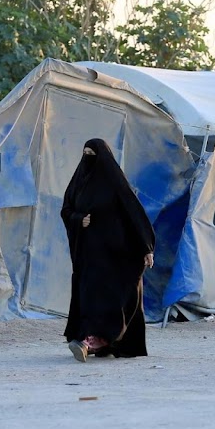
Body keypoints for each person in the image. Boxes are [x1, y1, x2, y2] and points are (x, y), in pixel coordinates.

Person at [61, 138, 155, 362]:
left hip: (118, 255)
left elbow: (135, 215)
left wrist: (146, 248)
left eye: (92, 154)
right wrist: (78, 219)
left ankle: (94, 341)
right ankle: (90, 339)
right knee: (90, 297)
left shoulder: (115, 184)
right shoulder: (78, 183)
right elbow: (66, 209)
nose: (87, 158)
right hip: (89, 255)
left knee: (113, 299)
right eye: (84, 153)